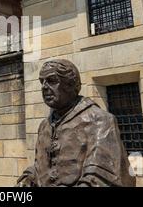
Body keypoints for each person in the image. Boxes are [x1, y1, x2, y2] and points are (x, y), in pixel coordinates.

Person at [17, 59, 136, 187]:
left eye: (52, 81)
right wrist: (28, 178)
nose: (44, 87)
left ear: (70, 84)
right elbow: (42, 168)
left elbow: (102, 177)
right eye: (42, 82)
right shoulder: (44, 126)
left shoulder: (99, 120)